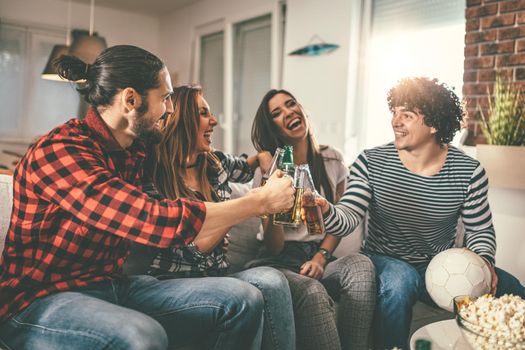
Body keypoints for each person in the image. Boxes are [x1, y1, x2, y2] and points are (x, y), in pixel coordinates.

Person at [0, 45, 295, 350]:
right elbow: (150, 219)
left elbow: (200, 157)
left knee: (242, 299)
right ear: (131, 99)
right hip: (37, 301)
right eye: (165, 98)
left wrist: (261, 160)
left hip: (111, 285)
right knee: (141, 335)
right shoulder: (60, 151)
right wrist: (259, 202)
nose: (170, 109)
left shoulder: (136, 150)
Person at [318, 77, 525, 349]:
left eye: (407, 115)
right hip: (384, 259)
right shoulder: (371, 162)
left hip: (439, 264)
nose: (395, 121)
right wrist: (325, 210)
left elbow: (480, 229)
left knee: (511, 286)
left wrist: (483, 261)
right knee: (400, 281)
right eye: (394, 112)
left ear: (434, 124)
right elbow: (348, 216)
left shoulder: (468, 171)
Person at [144, 84, 296, 350]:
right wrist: (250, 205)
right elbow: (196, 250)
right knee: (245, 294)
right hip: (173, 283)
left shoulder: (214, 163)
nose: (213, 121)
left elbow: (245, 167)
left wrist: (263, 159)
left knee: (271, 280)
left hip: (219, 276)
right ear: (181, 121)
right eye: (204, 113)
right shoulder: (153, 174)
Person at [247, 89, 376, 350]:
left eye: (291, 104)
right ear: (273, 127)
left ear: (302, 109)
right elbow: (274, 247)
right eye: (277, 113)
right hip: (279, 261)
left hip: (319, 254)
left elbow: (340, 219)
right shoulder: (271, 172)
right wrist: (273, 201)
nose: (288, 112)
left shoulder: (333, 160)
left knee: (362, 266)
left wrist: (321, 257)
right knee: (311, 291)